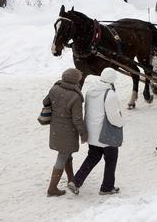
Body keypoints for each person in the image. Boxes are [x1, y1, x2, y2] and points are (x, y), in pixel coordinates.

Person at [68, 68, 123, 196]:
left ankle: (76, 181)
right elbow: (113, 117)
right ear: (112, 80)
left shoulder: (91, 90)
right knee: (111, 159)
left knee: (93, 156)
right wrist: (122, 123)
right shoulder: (110, 94)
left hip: (92, 132)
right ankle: (107, 187)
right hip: (105, 134)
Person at [43, 68, 88, 197]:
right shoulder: (75, 96)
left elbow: (45, 102)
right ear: (75, 80)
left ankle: (71, 179)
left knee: (66, 154)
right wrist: (83, 134)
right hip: (68, 130)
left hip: (56, 128)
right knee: (63, 156)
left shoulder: (55, 88)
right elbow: (77, 119)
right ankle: (52, 189)